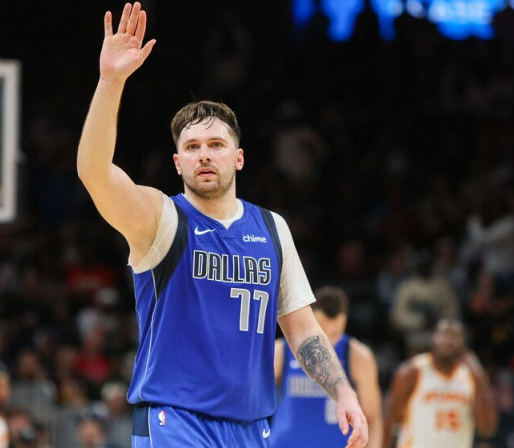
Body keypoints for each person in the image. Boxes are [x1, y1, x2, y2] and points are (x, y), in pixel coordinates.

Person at [76, 3, 368, 447]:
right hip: (175, 421)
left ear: (239, 157)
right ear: (177, 163)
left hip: (251, 428)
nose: (205, 154)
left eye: (216, 144)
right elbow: (95, 173)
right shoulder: (161, 219)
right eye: (192, 147)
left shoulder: (272, 229)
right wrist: (110, 81)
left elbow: (304, 330)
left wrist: (343, 390)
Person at [271, 286, 383, 447]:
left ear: (344, 322)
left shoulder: (359, 357)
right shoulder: (282, 351)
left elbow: (373, 419)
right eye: (323, 332)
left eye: (336, 332)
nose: (329, 341)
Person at [382, 319, 498, 448]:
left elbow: (487, 428)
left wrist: (480, 377)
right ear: (433, 338)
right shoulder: (412, 371)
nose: (447, 340)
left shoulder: (470, 376)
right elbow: (389, 420)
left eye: (454, 336)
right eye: (443, 334)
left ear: (464, 344)